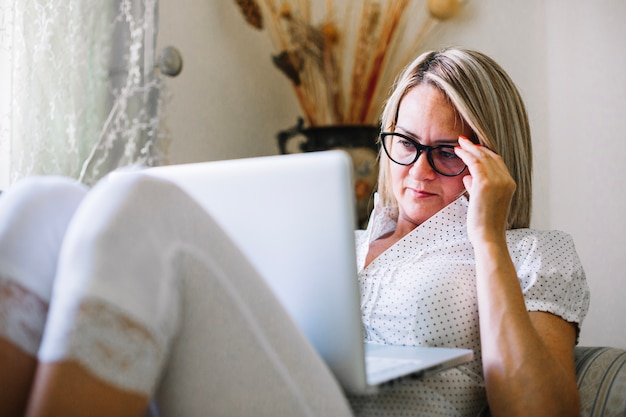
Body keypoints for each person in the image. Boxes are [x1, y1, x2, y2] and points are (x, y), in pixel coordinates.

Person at [0, 47, 589, 417]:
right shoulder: (339, 241)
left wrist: (486, 233)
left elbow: (539, 412)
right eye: (406, 144)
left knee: (139, 198)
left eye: (447, 154)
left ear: (493, 162)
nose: (416, 171)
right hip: (272, 384)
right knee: (42, 203)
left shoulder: (529, 253)